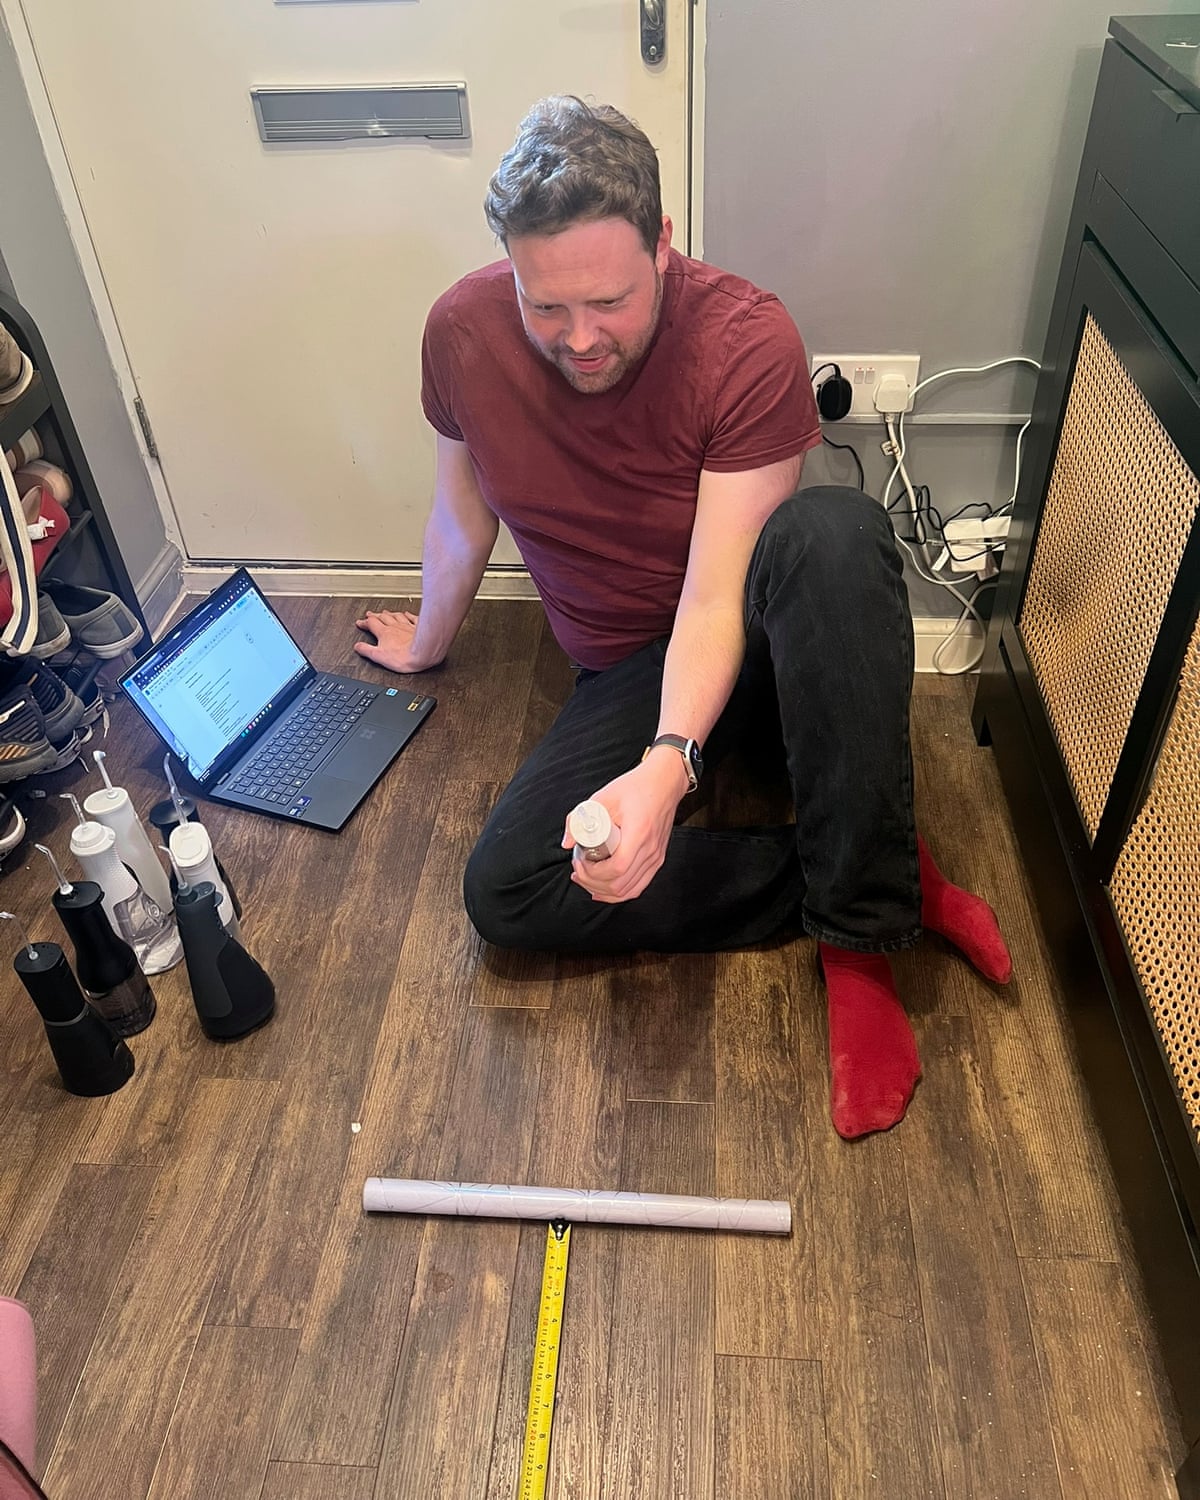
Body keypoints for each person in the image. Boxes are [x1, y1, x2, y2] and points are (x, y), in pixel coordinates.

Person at [355, 96, 1012, 1139]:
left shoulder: (746, 338)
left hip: (754, 632)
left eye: (608, 303)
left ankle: (860, 943)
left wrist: (667, 772)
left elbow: (714, 596)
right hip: (623, 667)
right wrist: (429, 640)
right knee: (509, 891)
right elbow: (458, 513)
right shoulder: (460, 335)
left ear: (663, 243)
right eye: (544, 306)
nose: (577, 341)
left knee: (834, 534)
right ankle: (867, 871)